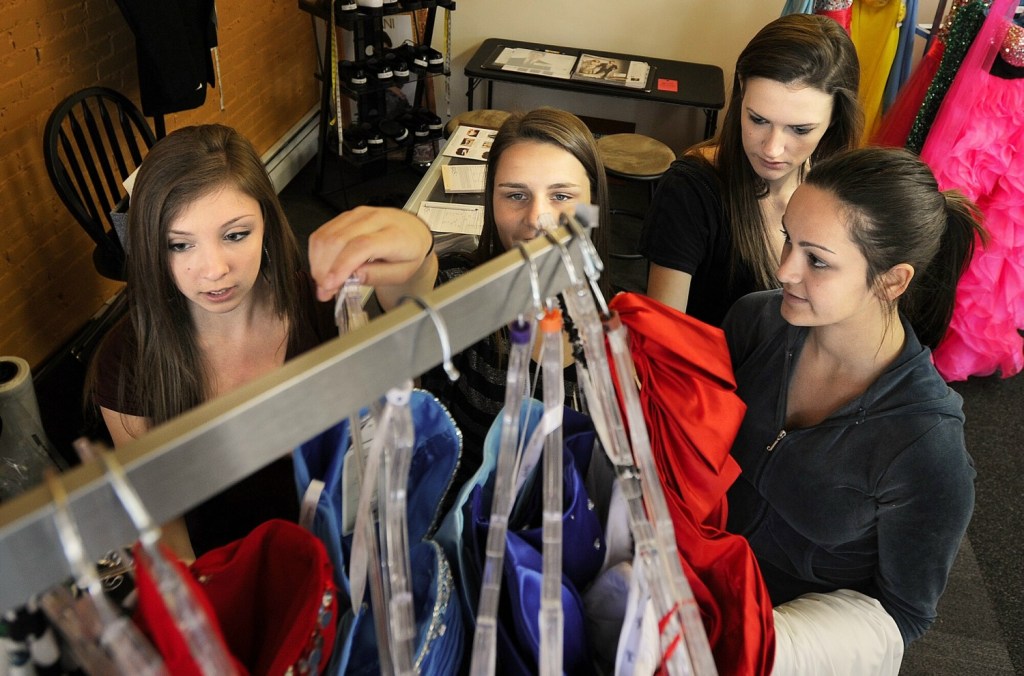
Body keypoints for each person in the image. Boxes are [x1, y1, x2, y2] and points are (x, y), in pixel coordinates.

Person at [89, 124, 433, 558]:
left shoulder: (323, 306)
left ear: (267, 223)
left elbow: (409, 313)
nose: (214, 269)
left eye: (235, 235)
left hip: (341, 562)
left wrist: (419, 245)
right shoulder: (128, 359)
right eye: (179, 245)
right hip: (228, 579)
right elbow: (164, 526)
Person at [721, 147, 984, 672]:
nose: (784, 271)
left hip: (787, 646)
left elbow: (904, 614)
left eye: (816, 259)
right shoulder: (755, 322)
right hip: (692, 585)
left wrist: (777, 642)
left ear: (892, 281)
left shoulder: (924, 446)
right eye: (788, 240)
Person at [311, 107, 610, 478]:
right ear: (491, 201)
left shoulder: (617, 323)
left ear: (593, 206)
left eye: (561, 195)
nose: (536, 219)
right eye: (515, 195)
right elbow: (416, 296)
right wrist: (416, 240)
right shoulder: (466, 290)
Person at [639, 13, 862, 326]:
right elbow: (662, 337)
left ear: (835, 119)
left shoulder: (842, 193)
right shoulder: (692, 189)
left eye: (799, 130)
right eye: (758, 120)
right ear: (741, 90)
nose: (772, 148)